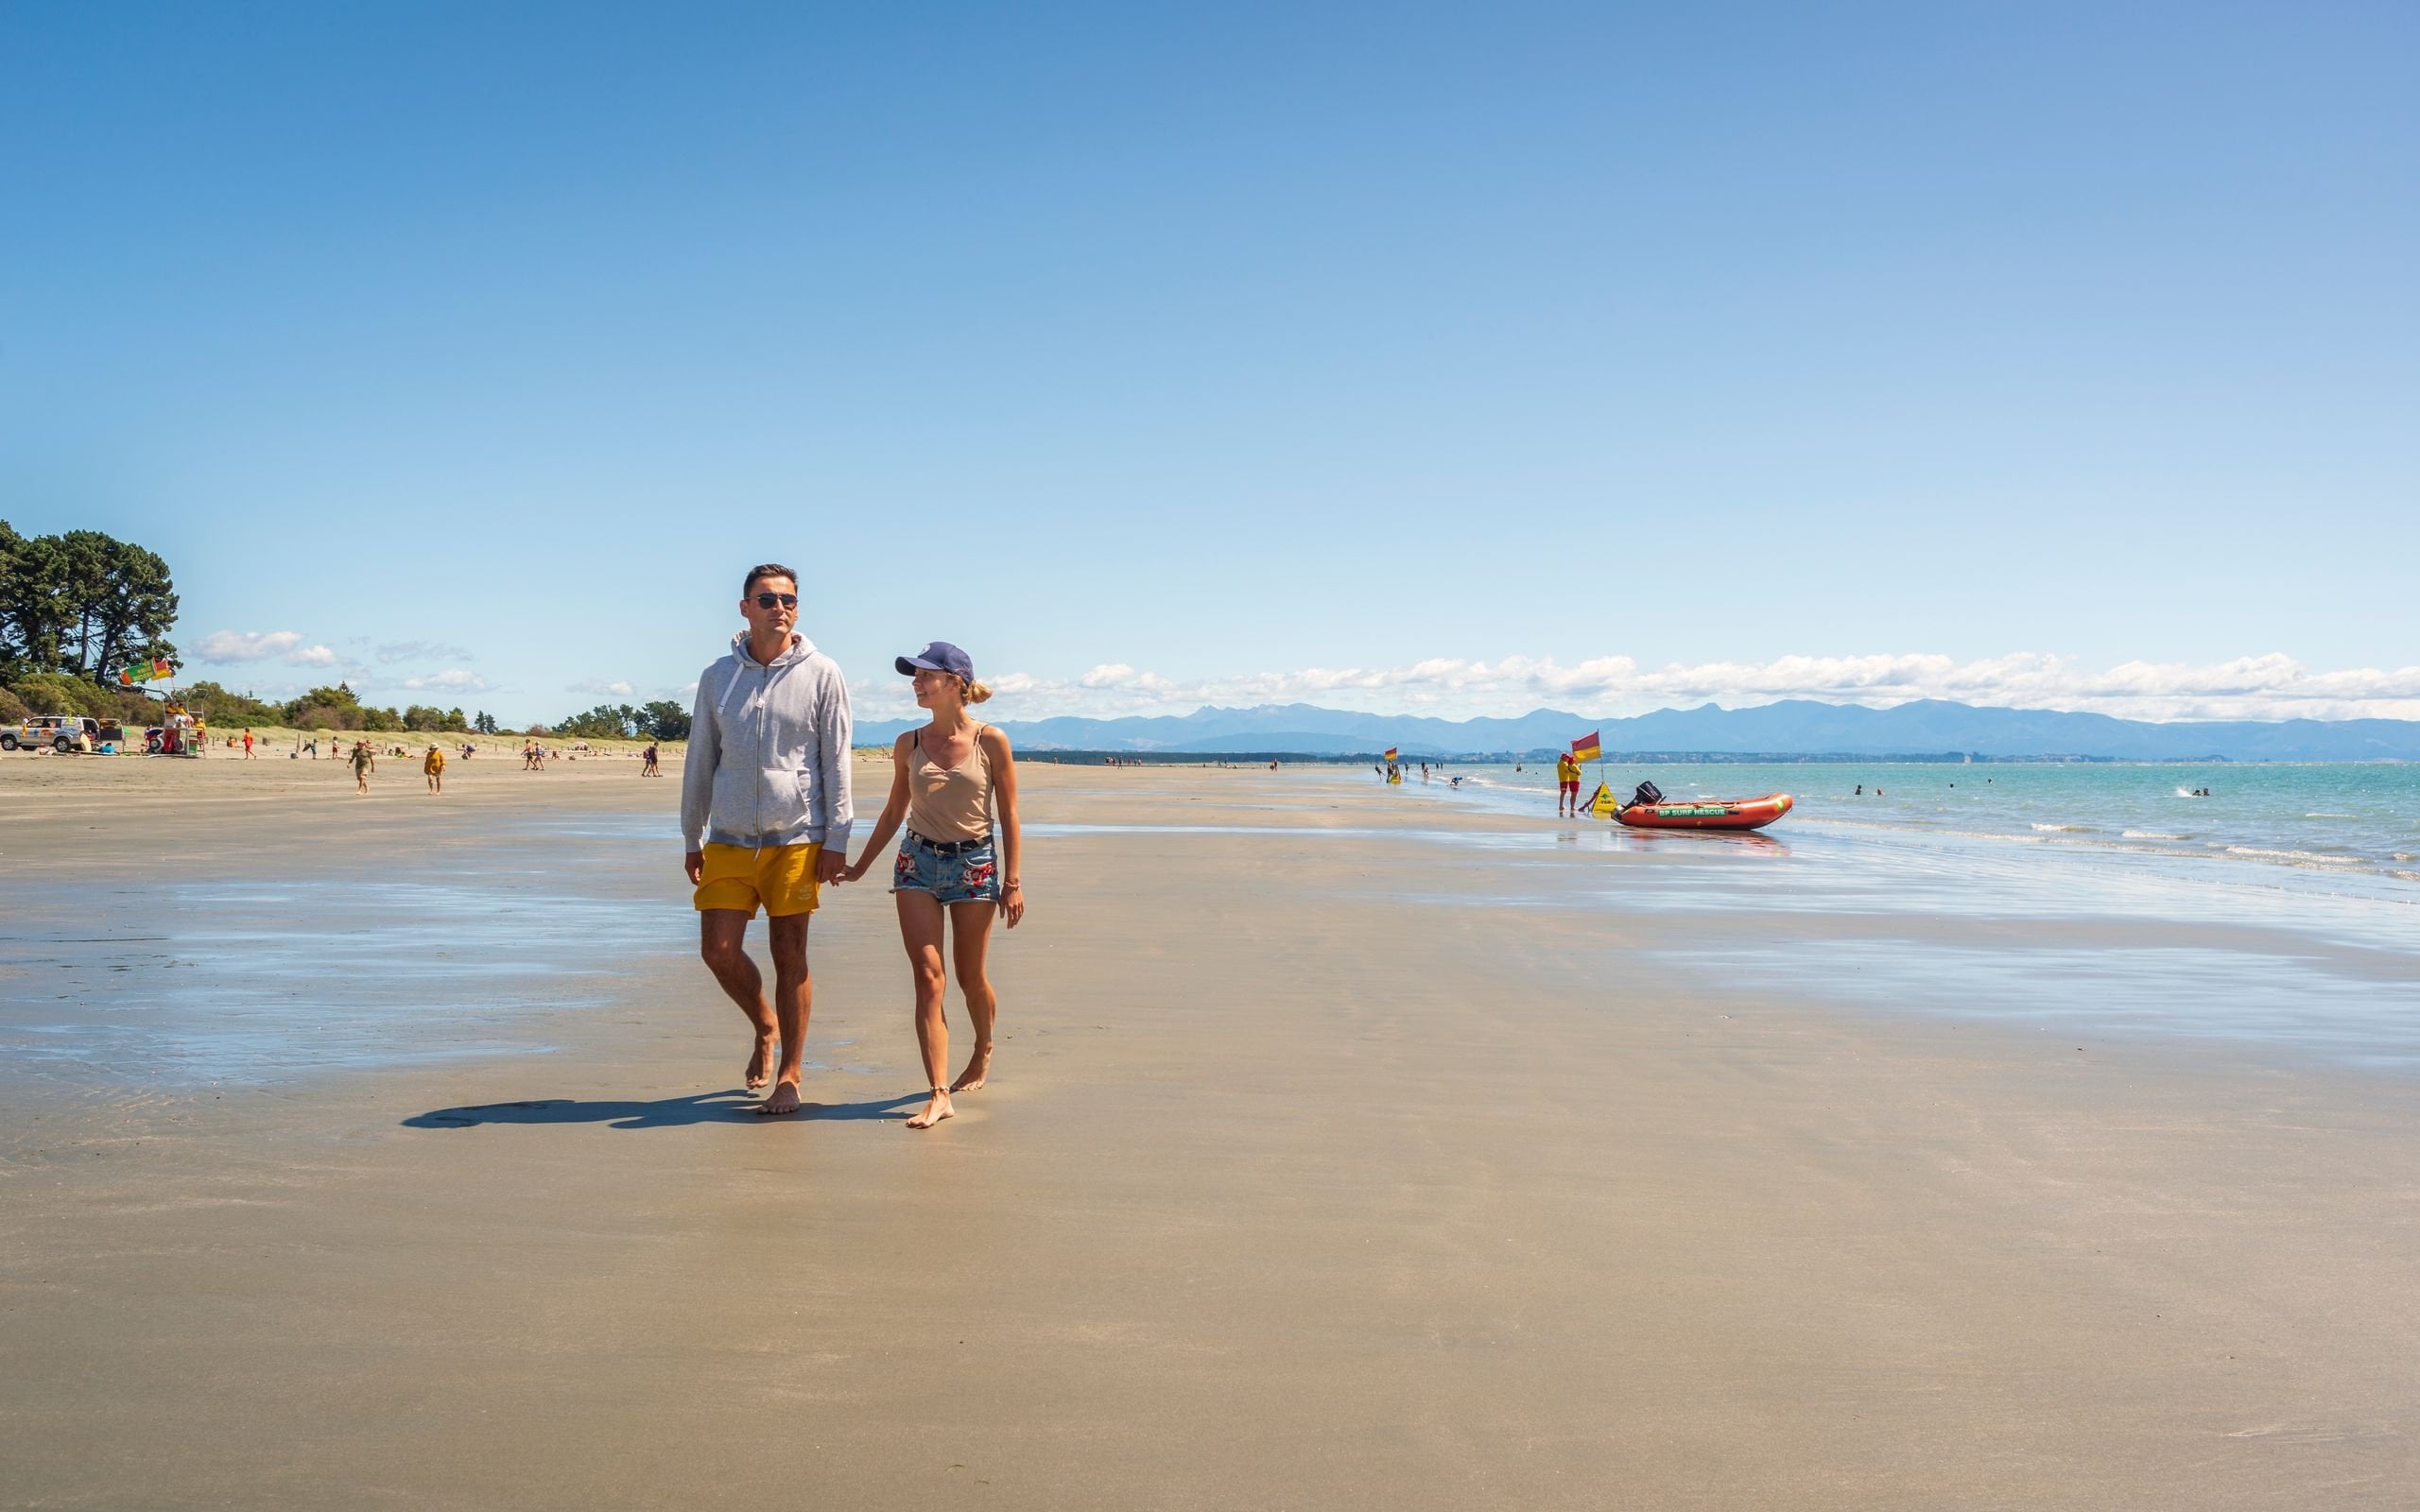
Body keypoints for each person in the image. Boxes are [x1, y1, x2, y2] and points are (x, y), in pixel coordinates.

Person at [682, 564, 854, 1117]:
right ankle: (764, 1024)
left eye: (788, 599)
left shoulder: (823, 673)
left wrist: (837, 838)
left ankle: (791, 1075)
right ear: (745, 608)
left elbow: (836, 760)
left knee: (790, 953)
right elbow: (700, 758)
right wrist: (692, 834)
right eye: (766, 598)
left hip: (798, 836)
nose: (779, 607)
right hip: (728, 837)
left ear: (797, 609)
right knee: (718, 950)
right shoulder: (717, 677)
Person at [840, 642, 1023, 1131]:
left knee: (969, 977)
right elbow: (894, 810)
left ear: (956, 682)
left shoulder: (992, 741)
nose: (916, 683)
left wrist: (1013, 882)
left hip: (975, 866)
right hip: (916, 863)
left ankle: (983, 1047)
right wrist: (859, 866)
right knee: (927, 977)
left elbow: (1009, 815)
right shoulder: (909, 742)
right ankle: (939, 1092)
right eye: (913, 676)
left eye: (926, 675)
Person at [1556, 748, 1582, 816]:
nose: (1567, 759)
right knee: (1563, 793)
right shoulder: (1563, 763)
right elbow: (1569, 770)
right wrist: (1576, 767)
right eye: (1566, 757)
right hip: (1564, 780)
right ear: (1563, 757)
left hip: (1563, 779)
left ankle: (1561, 805)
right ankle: (1561, 806)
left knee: (1564, 793)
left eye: (1568, 758)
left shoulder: (1560, 763)